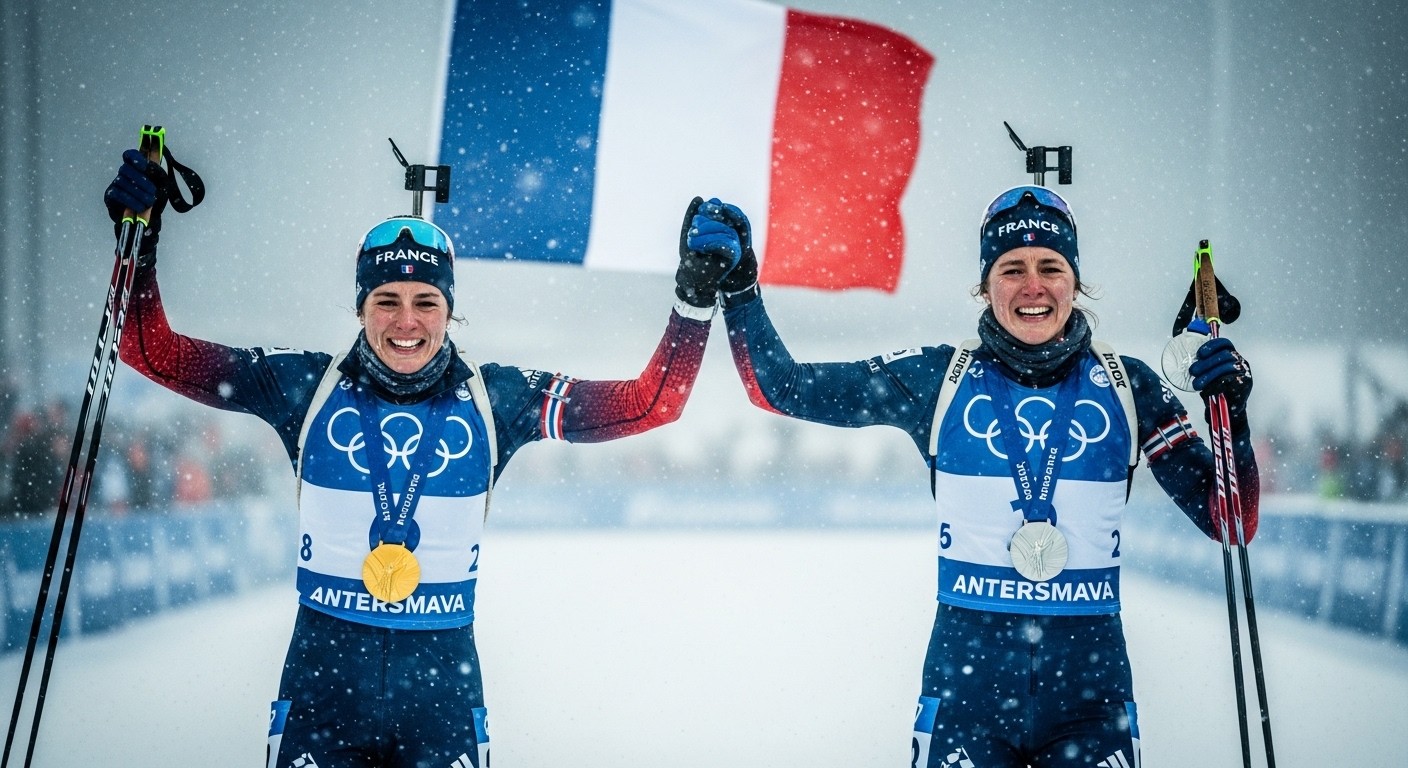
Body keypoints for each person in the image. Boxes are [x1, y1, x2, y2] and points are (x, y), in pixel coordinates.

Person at [104, 150, 740, 768]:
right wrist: (141, 244)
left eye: (426, 302)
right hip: (325, 686)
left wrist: (692, 297)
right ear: (360, 307)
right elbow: (147, 349)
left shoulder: (500, 400)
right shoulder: (303, 387)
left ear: (450, 311)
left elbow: (650, 404)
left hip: (441, 694)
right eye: (386, 300)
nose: (405, 322)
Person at [696, 189, 1259, 767]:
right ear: (985, 285)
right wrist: (740, 292)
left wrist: (1232, 414)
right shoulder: (939, 378)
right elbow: (782, 387)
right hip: (967, 699)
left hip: (1091, 703)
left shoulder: (1129, 384)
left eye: (1051, 268)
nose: (1032, 286)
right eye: (1011, 268)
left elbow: (1231, 521)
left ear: (1076, 281)